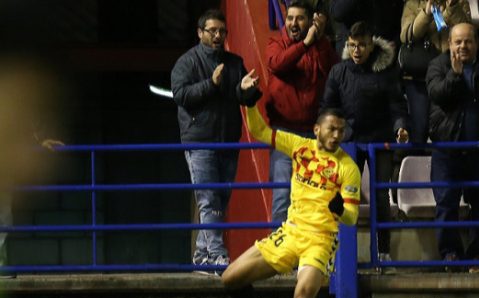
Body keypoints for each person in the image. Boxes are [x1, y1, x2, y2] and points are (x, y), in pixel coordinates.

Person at [223, 74, 360, 298]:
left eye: (341, 130)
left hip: (320, 239)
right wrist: (250, 101)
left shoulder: (348, 167)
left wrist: (341, 208)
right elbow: (259, 131)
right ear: (317, 130)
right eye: (332, 129)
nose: (337, 135)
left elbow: (352, 219)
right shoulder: (299, 147)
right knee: (230, 279)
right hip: (290, 232)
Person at [171, 9, 262, 273]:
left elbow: (242, 98)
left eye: (222, 31)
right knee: (209, 198)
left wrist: (247, 91)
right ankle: (218, 255)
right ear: (200, 33)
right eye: (213, 31)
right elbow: (181, 95)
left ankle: (201, 256)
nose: (219, 36)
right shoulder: (187, 62)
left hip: (227, 141)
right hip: (199, 141)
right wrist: (211, 84)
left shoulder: (234, 62)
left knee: (219, 199)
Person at [321, 21, 409, 265]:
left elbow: (397, 107)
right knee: (343, 197)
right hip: (349, 143)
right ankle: (335, 251)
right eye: (352, 45)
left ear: (371, 45)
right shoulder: (339, 72)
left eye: (361, 45)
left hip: (380, 142)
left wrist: (400, 127)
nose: (356, 50)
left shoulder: (387, 71)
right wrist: (335, 132)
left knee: (381, 198)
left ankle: (383, 251)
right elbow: (328, 106)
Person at [426, 22, 479, 271]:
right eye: (458, 41)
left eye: (468, 41)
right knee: (446, 204)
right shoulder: (438, 65)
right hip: (447, 150)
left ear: (476, 43)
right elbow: (438, 94)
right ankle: (450, 254)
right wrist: (454, 73)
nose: (463, 46)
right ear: (449, 43)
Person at [265, 0, 337, 226]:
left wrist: (321, 39)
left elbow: (331, 70)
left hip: (312, 135)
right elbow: (277, 64)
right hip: (283, 134)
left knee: (314, 197)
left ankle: (308, 257)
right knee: (281, 198)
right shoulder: (276, 42)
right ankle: (279, 259)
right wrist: (305, 44)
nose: (293, 24)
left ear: (309, 22)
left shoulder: (320, 46)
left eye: (299, 19)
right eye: (289, 18)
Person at [400, 0, 472, 145]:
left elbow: (467, 30)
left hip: (450, 71)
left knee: (448, 127)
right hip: (419, 76)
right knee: (419, 129)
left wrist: (452, 8)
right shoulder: (412, 3)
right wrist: (426, 14)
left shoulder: (459, 2)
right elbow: (406, 35)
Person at [330, 0, 405, 53]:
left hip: (383, 53)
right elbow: (337, 13)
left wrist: (396, 41)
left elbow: (400, 16)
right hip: (352, 52)